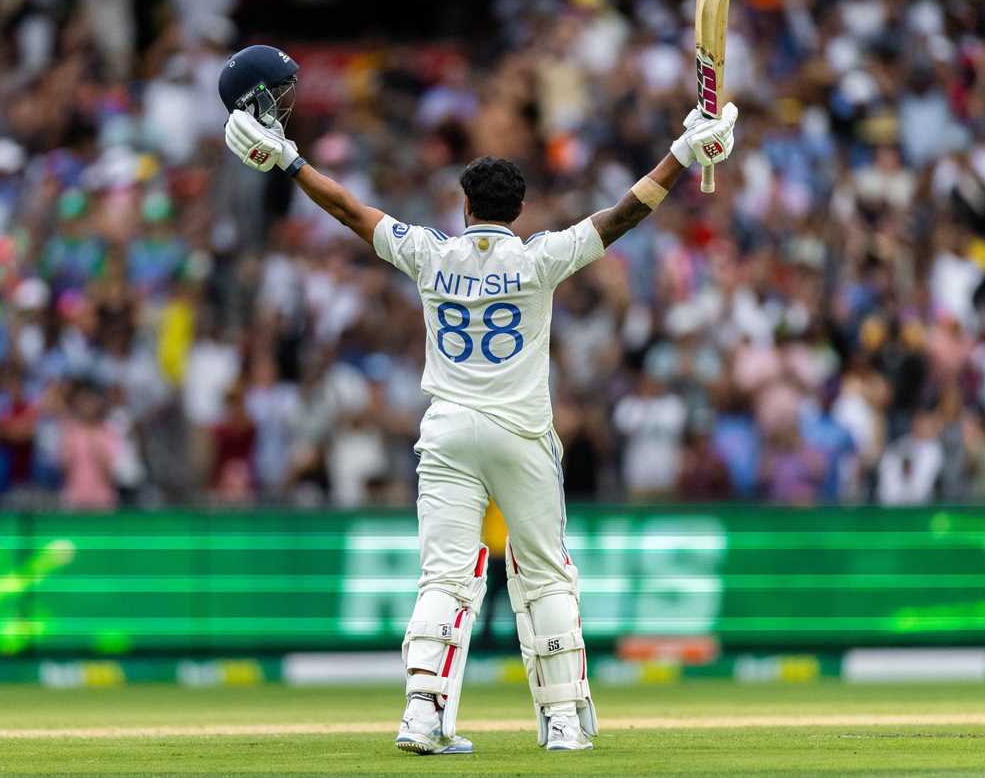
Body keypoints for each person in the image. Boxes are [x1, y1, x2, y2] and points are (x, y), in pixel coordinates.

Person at [223, 45, 738, 755]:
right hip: (521, 433)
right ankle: (561, 722)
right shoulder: (540, 257)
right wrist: (683, 150)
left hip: (447, 432)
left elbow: (346, 208)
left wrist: (285, 160)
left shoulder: (430, 252)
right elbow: (622, 215)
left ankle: (423, 715)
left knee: (447, 575)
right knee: (543, 572)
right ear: (519, 209)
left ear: (465, 206)